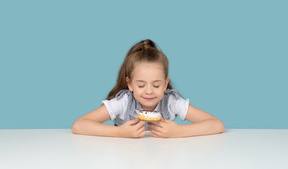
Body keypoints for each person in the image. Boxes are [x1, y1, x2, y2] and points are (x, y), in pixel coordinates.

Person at [71, 39, 225, 138]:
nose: (149, 91)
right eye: (141, 85)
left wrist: (180, 131)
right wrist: (118, 132)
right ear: (130, 84)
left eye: (156, 85)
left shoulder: (171, 101)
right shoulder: (124, 102)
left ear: (165, 84)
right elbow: (79, 125)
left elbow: (216, 124)